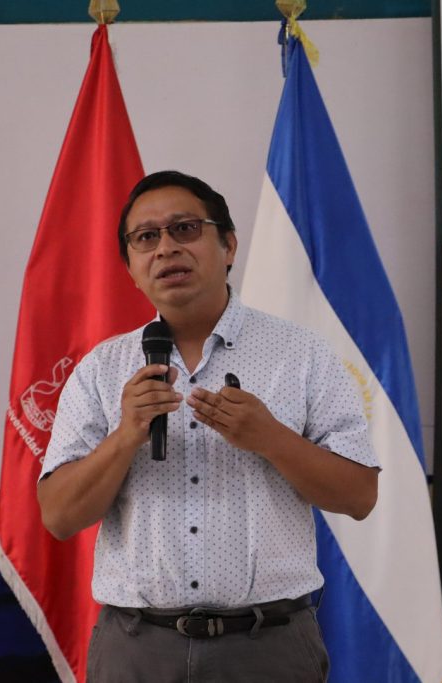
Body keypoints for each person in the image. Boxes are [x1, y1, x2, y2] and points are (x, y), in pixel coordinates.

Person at [36, 170, 379, 682]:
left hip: (267, 648)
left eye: (185, 229)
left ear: (229, 245)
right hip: (137, 650)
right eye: (146, 237)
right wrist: (126, 435)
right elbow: (59, 516)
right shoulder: (102, 369)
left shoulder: (302, 355)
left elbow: (359, 496)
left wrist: (271, 439)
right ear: (130, 268)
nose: (166, 248)